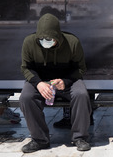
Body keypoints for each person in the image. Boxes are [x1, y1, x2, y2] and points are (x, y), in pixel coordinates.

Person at [19, 13, 92, 153]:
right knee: (26, 98)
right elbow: (25, 68)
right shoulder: (29, 42)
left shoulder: (72, 42)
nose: (45, 41)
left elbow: (81, 68)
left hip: (66, 81)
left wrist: (66, 81)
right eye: (42, 39)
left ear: (58, 36)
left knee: (81, 94)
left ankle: (80, 137)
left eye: (49, 39)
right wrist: (38, 83)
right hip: (40, 81)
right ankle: (39, 139)